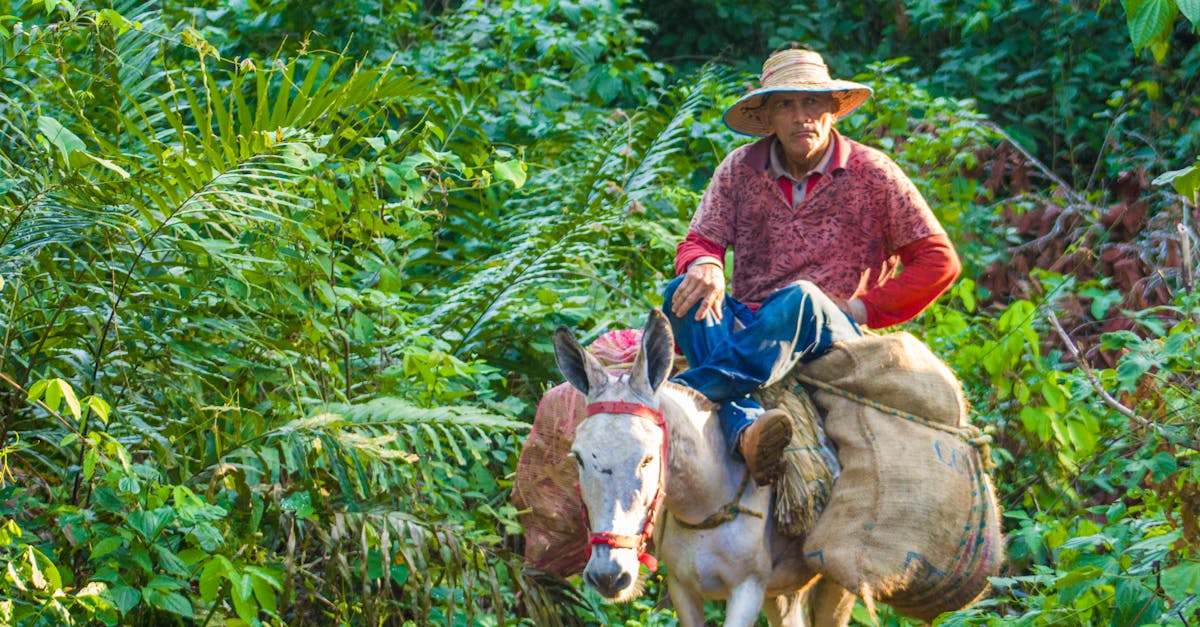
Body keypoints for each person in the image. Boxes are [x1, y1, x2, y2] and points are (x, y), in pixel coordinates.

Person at [662, 49, 961, 486]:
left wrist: (861, 309)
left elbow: (939, 260)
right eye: (786, 104)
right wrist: (705, 263)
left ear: (832, 111)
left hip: (834, 331)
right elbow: (699, 241)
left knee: (801, 295)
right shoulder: (740, 168)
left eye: (813, 103)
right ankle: (744, 425)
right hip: (752, 322)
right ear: (767, 116)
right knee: (680, 293)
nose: (802, 116)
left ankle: (688, 394)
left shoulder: (873, 172)